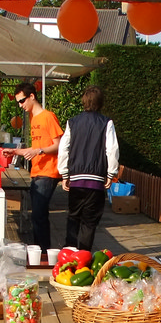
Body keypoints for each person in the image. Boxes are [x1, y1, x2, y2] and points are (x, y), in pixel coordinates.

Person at [58, 86, 119, 251]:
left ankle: (69, 255)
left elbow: (63, 149)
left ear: (83, 102)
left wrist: (64, 174)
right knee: (89, 222)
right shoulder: (106, 123)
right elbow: (112, 149)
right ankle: (83, 257)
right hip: (96, 181)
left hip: (76, 179)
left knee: (73, 217)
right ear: (101, 103)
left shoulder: (72, 122)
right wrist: (111, 173)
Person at [12, 81, 64, 249]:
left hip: (48, 172)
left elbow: (59, 145)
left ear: (32, 96)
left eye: (22, 101)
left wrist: (39, 151)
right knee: (37, 215)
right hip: (37, 171)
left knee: (39, 215)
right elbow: (35, 149)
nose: (20, 105)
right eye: (18, 102)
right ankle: (40, 251)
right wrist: (15, 152)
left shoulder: (48, 116)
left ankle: (43, 253)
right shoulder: (32, 117)